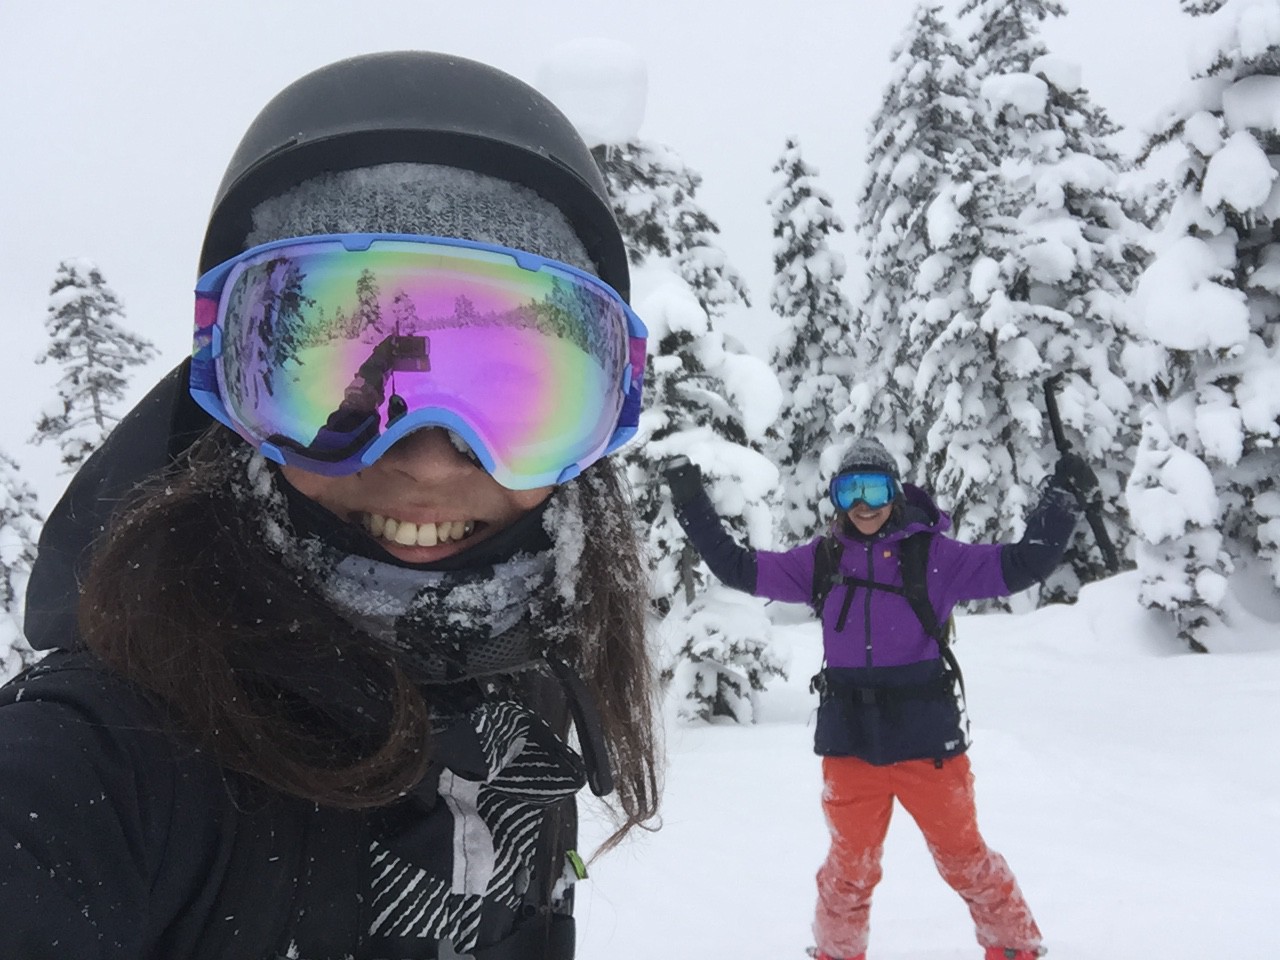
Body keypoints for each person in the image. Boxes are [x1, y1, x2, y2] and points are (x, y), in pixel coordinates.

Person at [0, 51, 660, 960]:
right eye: (341, 391)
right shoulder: (95, 765)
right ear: (229, 403)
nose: (428, 463)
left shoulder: (520, 703)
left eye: (510, 393)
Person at [664, 436, 1099, 960]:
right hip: (850, 743)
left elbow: (1022, 565)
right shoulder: (821, 560)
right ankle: (837, 952)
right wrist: (691, 502)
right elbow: (737, 567)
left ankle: (1014, 948)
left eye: (873, 488)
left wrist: (1063, 497)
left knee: (963, 858)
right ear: (836, 499)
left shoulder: (935, 555)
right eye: (849, 491)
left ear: (895, 492)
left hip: (927, 742)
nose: (863, 504)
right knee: (850, 869)